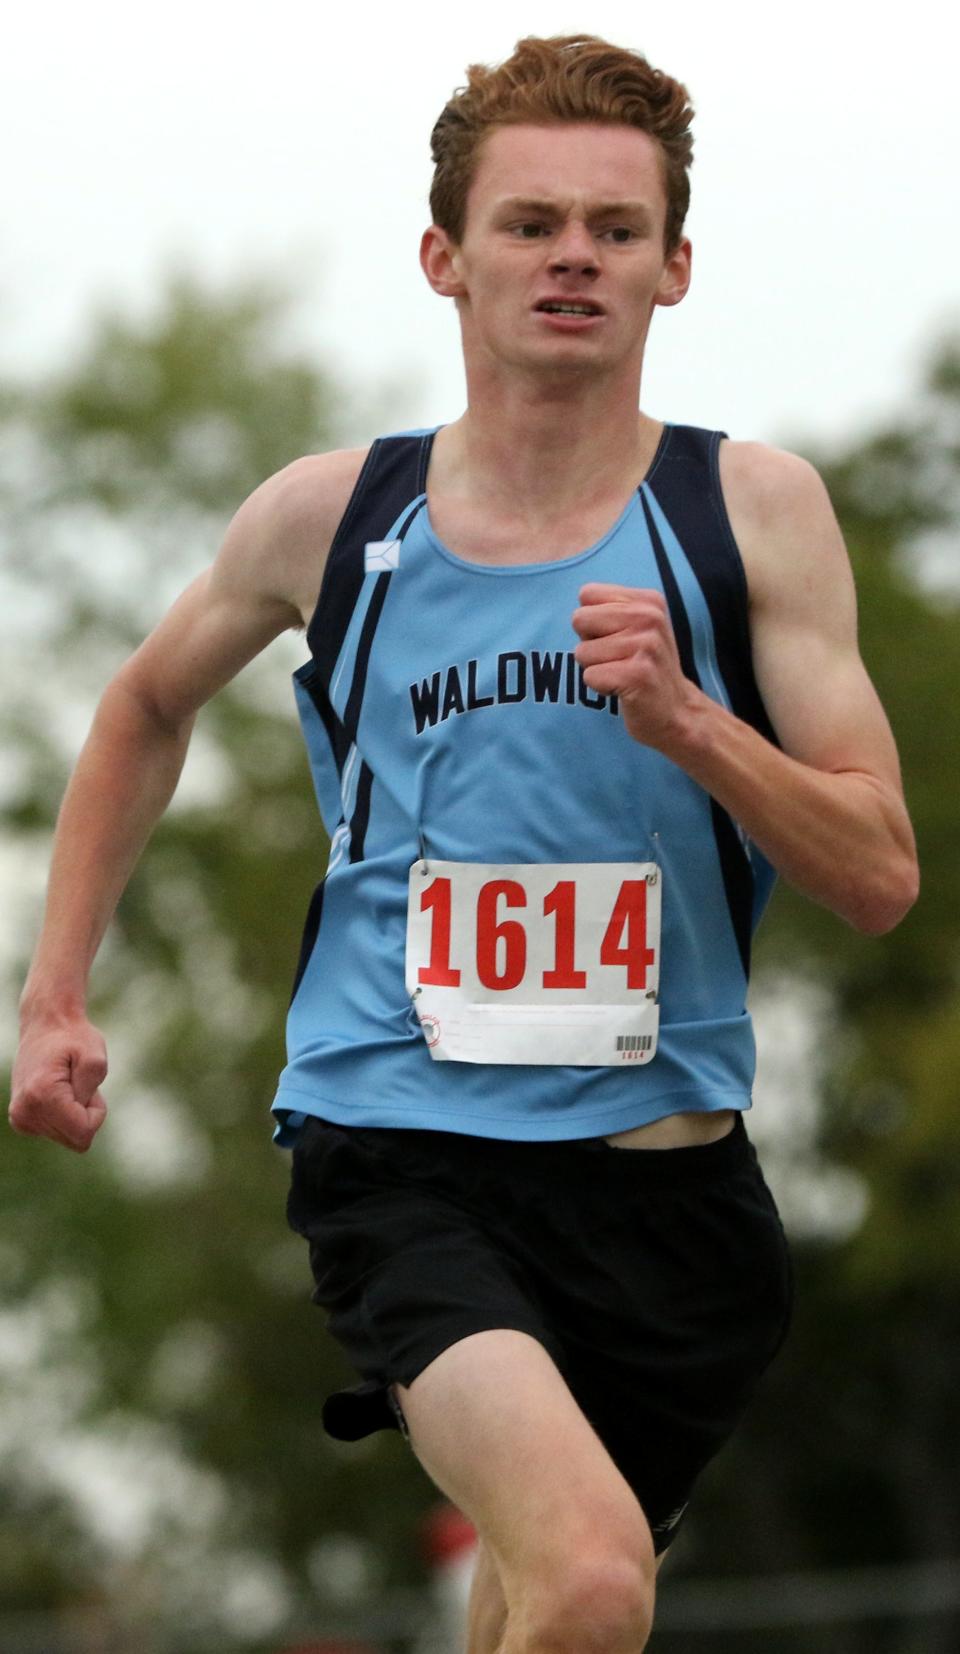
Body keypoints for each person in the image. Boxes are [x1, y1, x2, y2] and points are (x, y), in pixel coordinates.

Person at [10, 33, 918, 1654]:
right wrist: (54, 993)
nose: (574, 255)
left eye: (615, 230)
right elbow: (145, 706)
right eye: (530, 222)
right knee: (583, 1576)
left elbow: (877, 873)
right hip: (404, 1148)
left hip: (672, 1195)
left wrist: (698, 725)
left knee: (529, 1609)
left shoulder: (751, 515)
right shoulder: (336, 519)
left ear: (674, 268)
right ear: (447, 256)